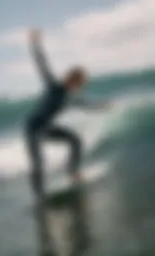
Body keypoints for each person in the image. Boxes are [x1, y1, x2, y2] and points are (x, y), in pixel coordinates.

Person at [25, 29, 102, 255]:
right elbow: (42, 65)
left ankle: (72, 171)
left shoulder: (69, 95)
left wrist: (100, 106)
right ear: (72, 78)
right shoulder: (54, 86)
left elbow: (84, 104)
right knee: (38, 162)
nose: (80, 85)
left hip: (47, 127)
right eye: (79, 81)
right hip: (33, 127)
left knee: (75, 140)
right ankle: (39, 198)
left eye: (82, 83)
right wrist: (35, 45)